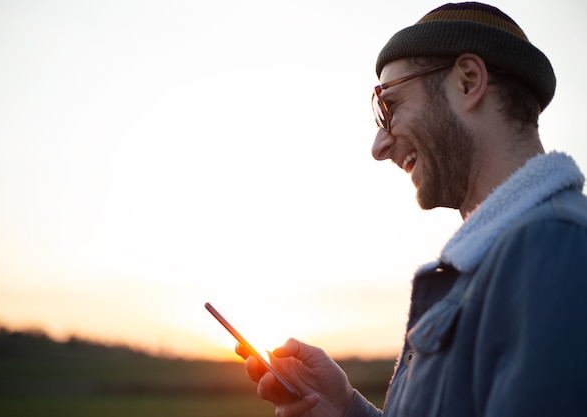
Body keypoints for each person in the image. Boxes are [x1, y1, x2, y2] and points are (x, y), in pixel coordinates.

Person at [236, 2, 587, 417]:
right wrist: (344, 408)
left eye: (391, 105)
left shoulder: (554, 248)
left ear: (468, 82)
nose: (379, 147)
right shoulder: (501, 259)